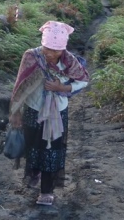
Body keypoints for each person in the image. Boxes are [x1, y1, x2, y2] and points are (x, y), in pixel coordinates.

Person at [9, 20, 90, 206]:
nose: (50, 54)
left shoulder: (69, 61)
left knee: (51, 151)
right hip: (32, 109)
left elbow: (83, 81)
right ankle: (34, 172)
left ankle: (47, 191)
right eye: (47, 49)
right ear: (42, 44)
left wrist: (62, 87)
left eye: (55, 50)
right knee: (32, 146)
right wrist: (16, 112)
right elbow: (20, 84)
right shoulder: (31, 56)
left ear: (63, 49)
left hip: (57, 113)